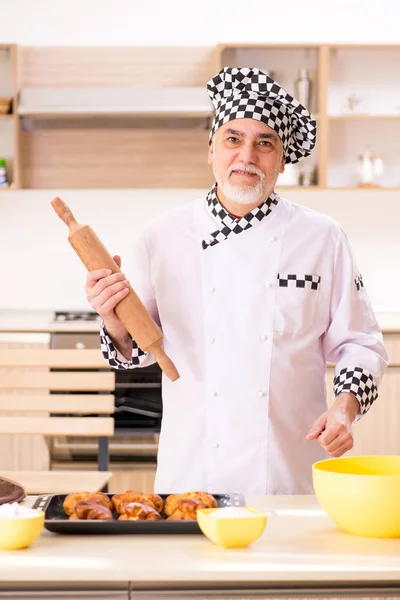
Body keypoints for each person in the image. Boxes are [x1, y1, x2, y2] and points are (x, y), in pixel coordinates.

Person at [85, 67, 387, 495]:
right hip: (191, 472)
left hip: (287, 472)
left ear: (282, 160)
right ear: (211, 150)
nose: (247, 156)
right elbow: (133, 354)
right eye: (233, 139)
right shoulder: (161, 237)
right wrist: (113, 320)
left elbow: (361, 343)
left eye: (265, 143)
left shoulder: (322, 238)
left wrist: (345, 407)